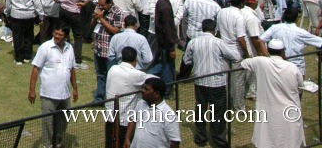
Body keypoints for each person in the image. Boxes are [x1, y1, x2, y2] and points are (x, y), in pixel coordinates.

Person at [180, 18, 241, 148]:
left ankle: (201, 138)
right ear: (214, 30)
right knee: (218, 112)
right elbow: (235, 57)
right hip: (217, 82)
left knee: (201, 109)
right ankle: (218, 141)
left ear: (202, 28)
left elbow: (186, 60)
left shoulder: (193, 42)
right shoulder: (219, 43)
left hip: (200, 81)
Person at [240, 39, 304, 148]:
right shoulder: (292, 68)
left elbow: (244, 63)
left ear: (268, 50)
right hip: (289, 111)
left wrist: (265, 56)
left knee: (267, 139)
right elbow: (300, 87)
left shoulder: (260, 62)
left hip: (268, 110)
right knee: (290, 139)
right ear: (283, 51)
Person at [29, 25, 79, 148]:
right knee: (48, 123)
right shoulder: (45, 47)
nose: (57, 37)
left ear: (66, 36)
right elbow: (36, 69)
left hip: (65, 94)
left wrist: (75, 89)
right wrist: (32, 90)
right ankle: (47, 145)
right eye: (55, 34)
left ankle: (58, 143)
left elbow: (72, 70)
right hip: (48, 94)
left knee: (63, 122)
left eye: (60, 35)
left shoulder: (70, 48)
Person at [104, 46, 148, 148]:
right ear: (136, 60)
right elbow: (152, 80)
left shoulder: (112, 69)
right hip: (125, 121)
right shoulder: (136, 75)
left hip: (110, 117)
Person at [124, 76, 180, 148]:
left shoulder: (169, 115)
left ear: (156, 94)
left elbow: (175, 141)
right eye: (143, 88)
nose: (142, 90)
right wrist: (127, 139)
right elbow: (133, 121)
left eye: (146, 89)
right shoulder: (140, 103)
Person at [91, 0, 124, 102]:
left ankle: (110, 99)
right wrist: (96, 18)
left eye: (103, 5)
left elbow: (115, 30)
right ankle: (99, 98)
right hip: (98, 47)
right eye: (99, 5)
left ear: (110, 3)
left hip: (109, 50)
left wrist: (102, 19)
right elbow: (91, 26)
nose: (100, 7)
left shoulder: (117, 12)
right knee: (100, 74)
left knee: (111, 76)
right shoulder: (98, 8)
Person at [5, 0, 41, 64]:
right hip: (29, 14)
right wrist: (40, 14)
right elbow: (36, 2)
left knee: (17, 37)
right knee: (29, 36)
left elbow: (8, 1)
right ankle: (27, 56)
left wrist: (7, 13)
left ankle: (18, 58)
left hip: (16, 14)